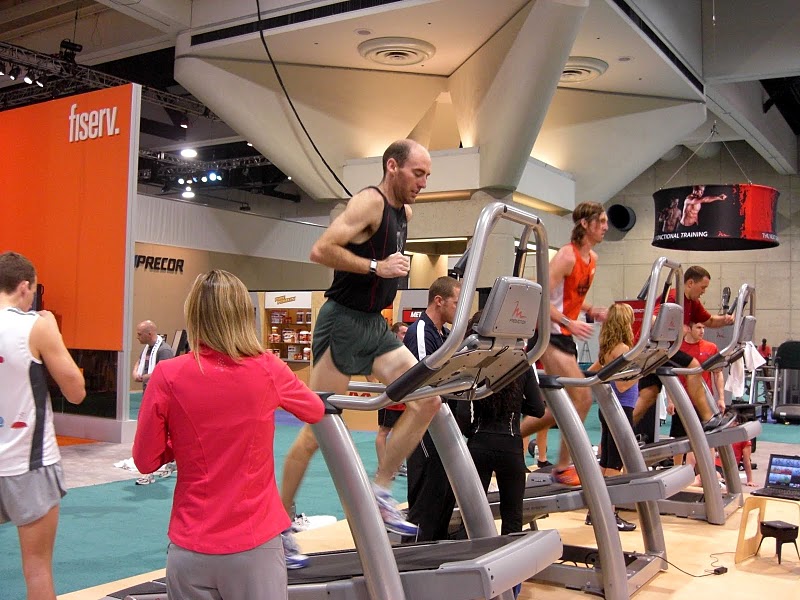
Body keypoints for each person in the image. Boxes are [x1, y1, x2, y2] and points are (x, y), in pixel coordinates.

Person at [279, 139, 439, 565]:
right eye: (418, 173)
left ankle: (381, 490)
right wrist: (375, 267)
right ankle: (279, 521)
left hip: (375, 326)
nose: (424, 183)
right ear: (392, 166)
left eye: (427, 175)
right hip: (342, 323)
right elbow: (321, 250)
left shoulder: (405, 214)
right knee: (318, 432)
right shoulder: (369, 203)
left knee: (427, 400)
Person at [132, 270, 325, 598]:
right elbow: (315, 410)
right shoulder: (267, 367)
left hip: (190, 546)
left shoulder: (167, 375)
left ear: (194, 314)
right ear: (243, 315)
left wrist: (181, 441)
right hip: (254, 546)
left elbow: (145, 461)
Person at [0, 251, 86, 600]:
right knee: (37, 569)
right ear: (25, 287)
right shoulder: (35, 326)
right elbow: (76, 393)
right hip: (30, 463)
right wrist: (52, 334)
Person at [520, 202, 609, 485]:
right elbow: (540, 296)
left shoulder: (592, 259)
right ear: (585, 224)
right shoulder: (566, 257)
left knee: (564, 407)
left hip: (565, 333)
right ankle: (562, 467)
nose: (606, 227)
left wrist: (590, 310)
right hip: (549, 334)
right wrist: (570, 322)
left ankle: (510, 437)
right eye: (601, 221)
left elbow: (570, 298)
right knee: (582, 398)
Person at [464, 311, 545, 535]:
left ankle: (472, 552)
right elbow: (538, 409)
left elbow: (462, 409)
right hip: (510, 444)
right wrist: (516, 404)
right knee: (512, 517)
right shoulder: (520, 362)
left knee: (472, 515)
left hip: (479, 441)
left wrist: (471, 432)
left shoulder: (475, 361)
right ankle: (510, 554)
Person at [633, 266, 735, 433]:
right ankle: (708, 417)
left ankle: (619, 434)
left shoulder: (693, 303)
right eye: (703, 287)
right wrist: (677, 327)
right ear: (690, 283)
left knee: (648, 395)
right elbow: (652, 319)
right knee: (694, 366)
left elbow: (709, 321)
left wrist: (725, 320)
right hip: (654, 350)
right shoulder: (673, 297)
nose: (704, 292)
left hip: (662, 350)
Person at [402, 276, 461, 541]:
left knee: (443, 489)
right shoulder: (420, 331)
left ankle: (436, 544)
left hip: (443, 420)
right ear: (439, 301)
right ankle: (414, 551)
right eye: (456, 303)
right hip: (423, 425)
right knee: (426, 491)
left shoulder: (445, 335)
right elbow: (426, 379)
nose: (458, 309)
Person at [585, 303, 638, 532]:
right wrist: (642, 370)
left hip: (609, 409)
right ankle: (609, 514)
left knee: (606, 461)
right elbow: (624, 385)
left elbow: (591, 372)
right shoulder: (623, 349)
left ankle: (596, 512)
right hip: (620, 409)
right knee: (614, 463)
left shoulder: (608, 348)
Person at [668, 320, 725, 469]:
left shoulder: (710, 348)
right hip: (682, 401)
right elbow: (670, 375)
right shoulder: (677, 348)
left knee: (707, 438)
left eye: (703, 328)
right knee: (679, 439)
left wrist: (721, 398)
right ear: (689, 328)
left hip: (703, 402)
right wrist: (671, 400)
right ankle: (677, 470)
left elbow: (718, 373)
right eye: (698, 327)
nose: (702, 331)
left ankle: (709, 471)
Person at [132, 319, 175, 485]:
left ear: (149, 334)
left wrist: (144, 377)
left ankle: (149, 471)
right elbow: (139, 361)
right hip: (148, 395)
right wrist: (136, 372)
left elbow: (165, 371)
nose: (137, 337)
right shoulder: (147, 349)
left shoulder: (164, 351)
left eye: (139, 334)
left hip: (161, 399)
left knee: (155, 434)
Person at [375, 321, 409, 476]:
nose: (406, 335)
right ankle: (383, 468)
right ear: (395, 334)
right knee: (384, 431)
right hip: (389, 398)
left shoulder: (407, 350)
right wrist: (377, 386)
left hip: (404, 397)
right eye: (403, 333)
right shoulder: (385, 350)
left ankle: (397, 464)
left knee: (401, 432)